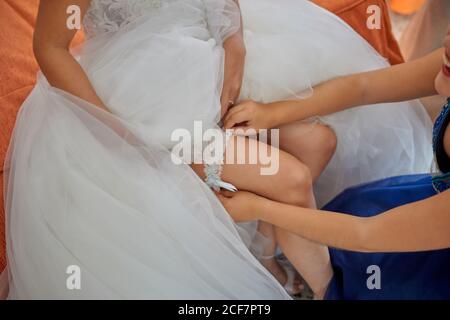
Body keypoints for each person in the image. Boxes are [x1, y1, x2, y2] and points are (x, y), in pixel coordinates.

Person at [0, 0, 432, 299]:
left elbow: (225, 9)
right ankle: (327, 292)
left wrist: (234, 45)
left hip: (205, 85)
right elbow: (50, 47)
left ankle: (262, 254)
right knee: (293, 178)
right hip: (143, 111)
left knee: (321, 141)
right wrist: (118, 134)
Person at [220, 28, 450, 299]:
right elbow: (364, 88)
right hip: (426, 203)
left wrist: (259, 207)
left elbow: (367, 236)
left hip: (429, 267)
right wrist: (271, 113)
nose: (446, 41)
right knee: (351, 208)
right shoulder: (446, 64)